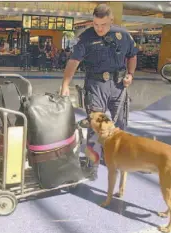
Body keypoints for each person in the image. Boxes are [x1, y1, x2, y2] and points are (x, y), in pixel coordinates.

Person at [60, 4, 138, 180]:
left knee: (120, 125)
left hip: (119, 86)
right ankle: (92, 163)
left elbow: (132, 55)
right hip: (96, 86)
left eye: (102, 24)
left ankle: (118, 158)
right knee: (97, 125)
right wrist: (65, 84)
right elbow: (73, 62)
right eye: (95, 24)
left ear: (111, 20)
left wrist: (130, 74)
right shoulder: (86, 37)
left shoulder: (124, 35)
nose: (99, 28)